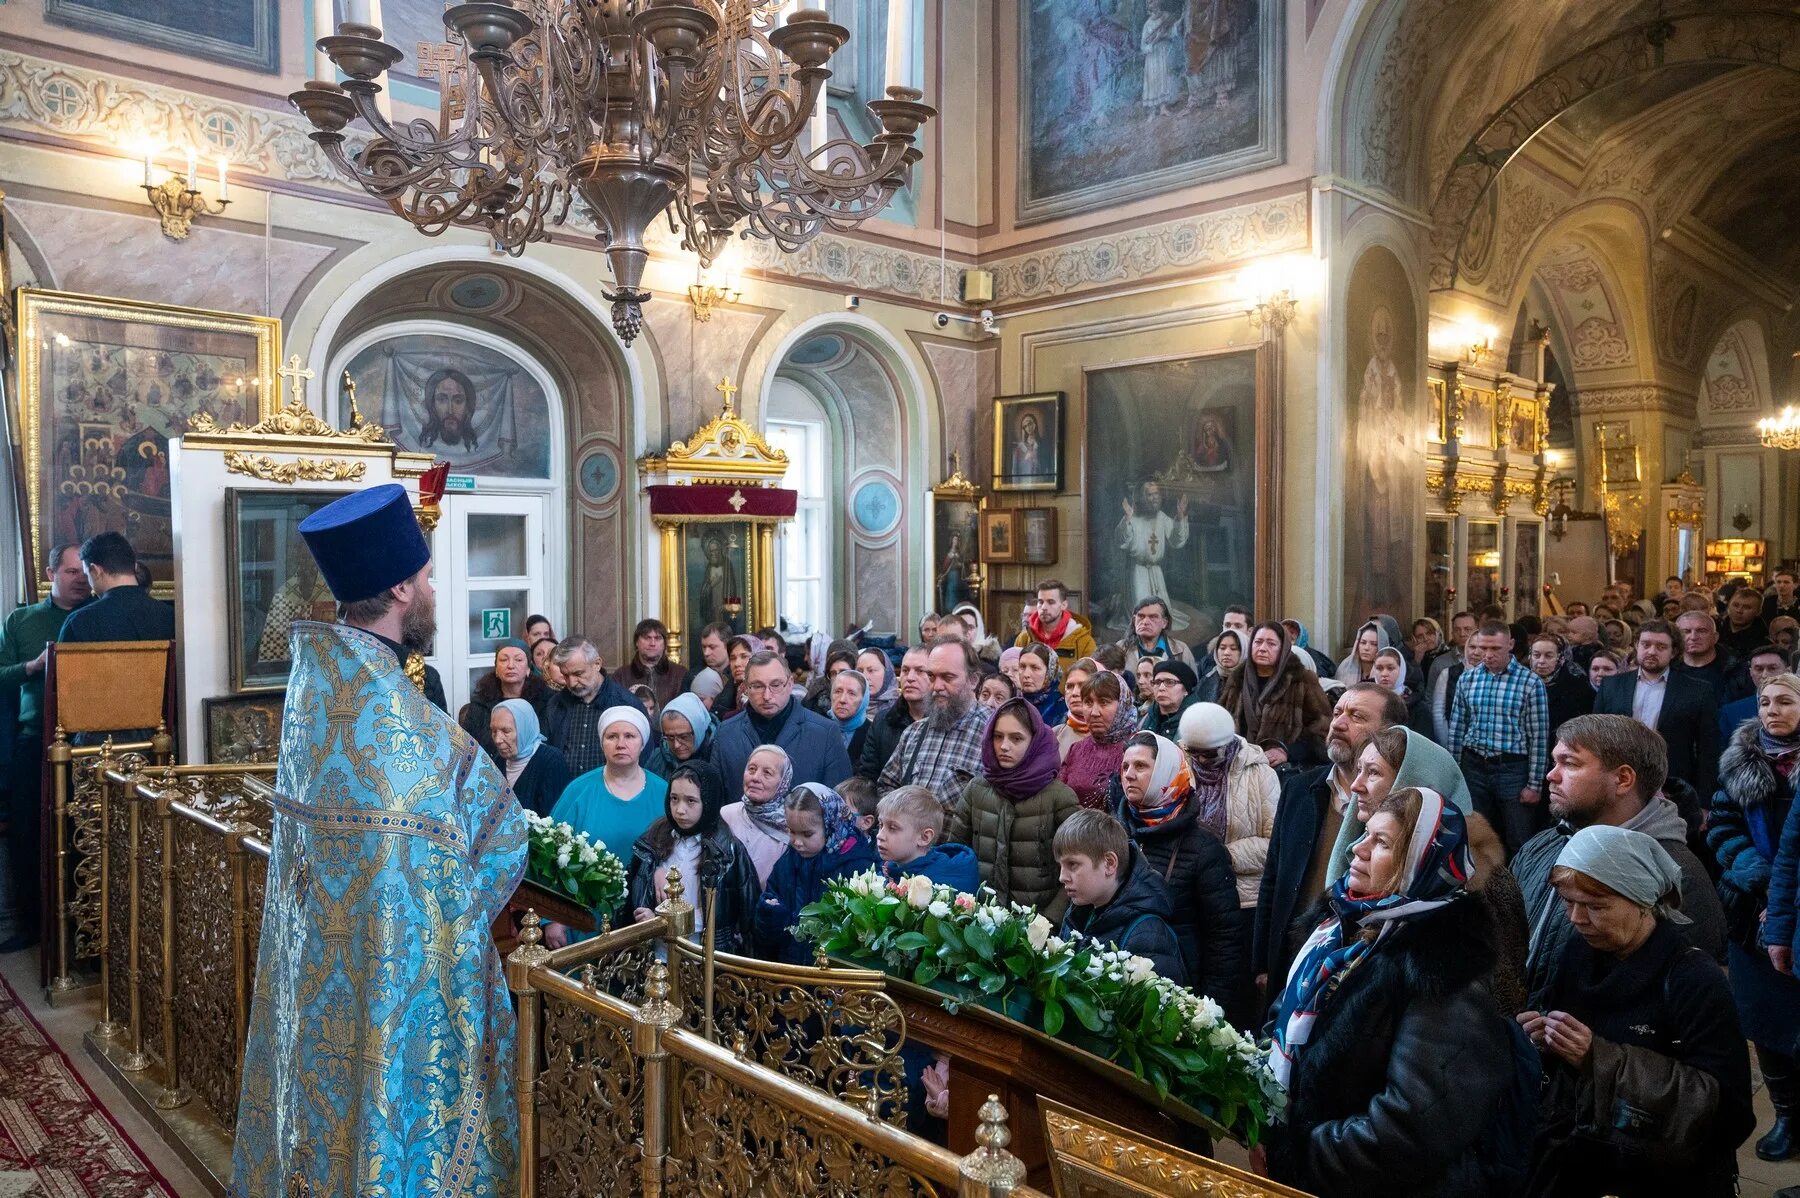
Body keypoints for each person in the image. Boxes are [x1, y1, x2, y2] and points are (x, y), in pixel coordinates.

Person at [232, 484, 525, 1196]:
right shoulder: (409, 728)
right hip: (391, 973)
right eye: (425, 579)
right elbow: (499, 837)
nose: (431, 590)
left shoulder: (316, 691)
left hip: (326, 964)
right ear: (400, 587)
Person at [1266, 789, 1517, 1198]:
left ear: (1423, 861)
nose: (1357, 849)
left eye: (1381, 842)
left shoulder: (1444, 969)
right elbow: (1281, 1019)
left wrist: (1297, 1154)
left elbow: (1411, 1128)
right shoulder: (1342, 930)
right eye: (1365, 834)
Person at [1523, 826, 1754, 1198]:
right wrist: (1542, 1040)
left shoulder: (1694, 980)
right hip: (1581, 1165)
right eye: (1568, 902)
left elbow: (1730, 1114)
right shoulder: (1577, 954)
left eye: (1595, 906)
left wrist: (1597, 1057)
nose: (1576, 918)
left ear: (1643, 900)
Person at [1514, 715, 1726, 1009]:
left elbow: (1684, 1004)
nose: (1551, 775)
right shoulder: (1542, 845)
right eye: (1554, 762)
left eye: (1570, 763)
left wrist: (1589, 1048)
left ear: (1623, 779)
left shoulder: (1675, 874)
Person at [1251, 683, 1407, 1005]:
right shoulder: (1299, 789)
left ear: (1389, 733)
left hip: (1353, 976)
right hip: (1292, 961)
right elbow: (1273, 882)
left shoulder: (1401, 808)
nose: (1338, 723)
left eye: (1357, 716)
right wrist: (1264, 964)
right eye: (1337, 713)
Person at [1709, 673, 1800, 1164]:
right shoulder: (1740, 763)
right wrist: (1754, 873)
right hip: (1751, 910)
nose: (1772, 710)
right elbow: (1721, 826)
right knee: (1764, 1019)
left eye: (1785, 701)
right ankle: (1787, 1115)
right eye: (1764, 702)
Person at [0, 544, 91, 952]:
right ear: (52, 574)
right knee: (26, 832)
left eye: (83, 571)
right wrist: (31, 668)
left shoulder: (95, 618)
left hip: (86, 741)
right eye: (71, 572)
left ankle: (81, 925)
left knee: (83, 833)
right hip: (33, 739)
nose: (80, 579)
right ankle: (30, 925)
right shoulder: (21, 621)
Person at [1170, 702, 1279, 1021]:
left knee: (1233, 993)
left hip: (1242, 900)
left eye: (1209, 754)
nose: (1201, 760)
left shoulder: (1259, 773)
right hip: (1190, 896)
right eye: (1195, 752)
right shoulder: (1179, 764)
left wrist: (1220, 857)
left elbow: (1275, 844)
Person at [1115, 731, 1241, 1003]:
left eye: (1141, 766)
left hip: (1180, 993)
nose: (1128, 774)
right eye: (1125, 766)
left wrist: (1210, 1008)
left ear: (1165, 771)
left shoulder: (1204, 847)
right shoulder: (1116, 832)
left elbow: (1224, 939)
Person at [946, 696, 1081, 919]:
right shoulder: (977, 790)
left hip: (1037, 928)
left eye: (1016, 738)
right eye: (997, 737)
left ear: (1035, 741)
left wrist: (1047, 923)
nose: (1004, 746)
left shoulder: (1060, 799)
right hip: (978, 920)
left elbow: (1076, 869)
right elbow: (956, 853)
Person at [545, 706, 669, 944]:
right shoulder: (578, 791)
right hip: (584, 921)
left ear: (643, 743)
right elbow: (551, 857)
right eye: (612, 737)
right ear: (602, 743)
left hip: (646, 920)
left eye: (629, 736)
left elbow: (682, 849)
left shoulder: (664, 792)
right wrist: (551, 918)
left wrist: (665, 869)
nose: (620, 744)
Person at [626, 760, 759, 955]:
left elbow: (741, 913)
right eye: (674, 799)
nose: (680, 810)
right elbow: (632, 893)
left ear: (709, 800)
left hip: (704, 958)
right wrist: (652, 876)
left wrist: (662, 921)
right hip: (657, 957)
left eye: (690, 801)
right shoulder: (653, 840)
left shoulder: (727, 850)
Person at [1449, 620, 1549, 857]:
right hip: (1474, 764)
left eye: (1495, 649)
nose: (1487, 655)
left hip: (1512, 767)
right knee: (1475, 835)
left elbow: (1539, 736)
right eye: (1483, 648)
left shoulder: (1530, 682)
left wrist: (1534, 784)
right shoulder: (1468, 679)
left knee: (1519, 837)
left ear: (1510, 645)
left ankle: (1520, 890)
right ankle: (1481, 891)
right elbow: (1457, 728)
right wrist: (1453, 773)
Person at [1055, 809, 1187, 985]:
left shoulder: (1148, 934)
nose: (1062, 877)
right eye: (1061, 866)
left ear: (1109, 863)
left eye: (1072, 864)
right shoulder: (1079, 911)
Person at [1594, 620, 1721, 800]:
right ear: (1636, 645)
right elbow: (1597, 739)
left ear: (1674, 652)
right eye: (1646, 645)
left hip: (1673, 786)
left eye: (1661, 646)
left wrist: (1705, 802)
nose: (1652, 651)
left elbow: (1708, 749)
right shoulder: (1611, 685)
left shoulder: (1697, 690)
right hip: (1617, 782)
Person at [752, 782, 878, 964]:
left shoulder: (857, 866)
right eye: (791, 831)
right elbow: (765, 927)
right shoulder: (788, 860)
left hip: (830, 978)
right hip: (789, 969)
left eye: (807, 834)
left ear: (831, 825)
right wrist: (770, 913)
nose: (797, 841)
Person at [713, 650, 853, 804]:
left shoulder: (825, 733)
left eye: (776, 685)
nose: (767, 695)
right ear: (746, 688)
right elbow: (716, 799)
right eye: (758, 686)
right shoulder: (726, 733)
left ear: (790, 683)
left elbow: (839, 804)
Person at [876, 639, 988, 812]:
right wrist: (903, 819)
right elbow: (887, 785)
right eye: (931, 677)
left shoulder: (993, 733)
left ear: (973, 680)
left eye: (947, 677)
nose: (936, 686)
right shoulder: (914, 732)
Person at [1218, 621, 1332, 769]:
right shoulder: (1237, 678)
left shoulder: (1302, 679)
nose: (1262, 648)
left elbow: (1323, 729)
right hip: (1240, 767)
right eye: (1258, 642)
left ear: (1283, 648)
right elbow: (1222, 721)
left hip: (1283, 771)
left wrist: (1287, 751)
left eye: (1271, 644)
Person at [58, 530, 177, 646]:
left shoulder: (80, 622)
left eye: (86, 574)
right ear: (134, 566)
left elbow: (66, 666)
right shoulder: (171, 617)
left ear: (95, 570)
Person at [543, 638, 640, 776]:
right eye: (566, 675)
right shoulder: (556, 704)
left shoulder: (625, 704)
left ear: (597, 664)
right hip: (566, 792)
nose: (572, 683)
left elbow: (642, 757)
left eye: (578, 674)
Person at [875, 784, 979, 892]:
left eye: (893, 828)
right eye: (881, 825)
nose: (880, 835)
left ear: (924, 837)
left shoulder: (943, 887)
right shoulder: (887, 870)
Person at [1058, 671, 1136, 810]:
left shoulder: (1138, 749)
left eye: (1103, 702)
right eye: (1088, 702)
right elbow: (1059, 798)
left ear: (1123, 703)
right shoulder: (1076, 749)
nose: (1094, 712)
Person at [461, 640, 547, 764]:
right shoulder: (481, 702)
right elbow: (469, 744)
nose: (511, 665)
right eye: (504, 660)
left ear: (529, 668)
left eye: (518, 660)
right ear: (496, 668)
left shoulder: (545, 700)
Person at [722, 744, 795, 887]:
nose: (755, 777)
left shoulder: (791, 824)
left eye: (767, 773)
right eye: (752, 769)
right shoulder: (725, 815)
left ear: (783, 782)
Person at [1117, 483, 1190, 622]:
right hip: (1138, 572)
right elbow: (1122, 540)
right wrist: (1127, 519)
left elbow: (1176, 539)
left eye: (1156, 494)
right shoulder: (1134, 517)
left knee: (1161, 615)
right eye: (1149, 494)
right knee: (1140, 614)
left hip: (1156, 573)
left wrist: (1180, 517)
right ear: (1142, 497)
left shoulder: (1161, 517)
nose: (1154, 498)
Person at [489, 698, 569, 816]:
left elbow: (553, 819)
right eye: (494, 731)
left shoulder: (551, 761)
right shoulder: (498, 761)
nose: (497, 740)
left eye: (506, 731)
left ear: (524, 729)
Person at [858, 646, 927, 781]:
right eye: (905, 670)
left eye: (920, 671)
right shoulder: (883, 720)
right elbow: (867, 776)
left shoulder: (943, 722)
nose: (910, 678)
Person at [1013, 579, 1097, 667]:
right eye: (1040, 602)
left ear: (1064, 605)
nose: (1044, 607)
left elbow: (1091, 678)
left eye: (1051, 602)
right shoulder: (1024, 638)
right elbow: (1014, 673)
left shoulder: (1083, 641)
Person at [1528, 632, 1595, 742]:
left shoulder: (1577, 686)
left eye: (1548, 656)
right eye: (1536, 655)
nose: (1541, 661)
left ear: (1561, 658)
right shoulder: (1523, 683)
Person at [1716, 644, 1791, 741]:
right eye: (1759, 669)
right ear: (1751, 673)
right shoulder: (1731, 712)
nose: (1765, 675)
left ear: (1788, 671)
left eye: (1772, 668)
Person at [616, 617, 693, 710]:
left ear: (664, 643)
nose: (652, 643)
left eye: (657, 638)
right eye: (647, 638)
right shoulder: (621, 676)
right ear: (637, 642)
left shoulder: (680, 675)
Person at [644, 691, 716, 781]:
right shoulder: (657, 759)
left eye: (684, 737)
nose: (676, 745)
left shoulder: (716, 757)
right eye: (670, 737)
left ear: (699, 730)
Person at [1117, 597, 1197, 676]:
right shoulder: (1121, 648)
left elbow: (1193, 686)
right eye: (1141, 616)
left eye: (1153, 617)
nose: (1145, 622)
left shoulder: (1180, 650)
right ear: (1134, 620)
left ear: (1164, 623)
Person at [1674, 609, 1732, 697]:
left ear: (1715, 637)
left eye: (1701, 631)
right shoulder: (1667, 669)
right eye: (1686, 632)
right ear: (1676, 638)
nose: (1693, 637)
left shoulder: (1735, 670)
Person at [1014, 642, 1067, 730]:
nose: (1026, 674)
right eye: (1022, 667)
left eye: (1035, 668)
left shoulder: (1062, 709)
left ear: (1050, 672)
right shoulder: (1013, 705)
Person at [1140, 659, 1198, 738]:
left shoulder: (1197, 722)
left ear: (1186, 690)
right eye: (1157, 682)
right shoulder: (1146, 718)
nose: (1161, 688)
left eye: (1170, 682)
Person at [828, 665, 872, 765]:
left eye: (851, 693)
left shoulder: (872, 734)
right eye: (838, 691)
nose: (842, 699)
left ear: (864, 699)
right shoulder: (819, 729)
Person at [1718, 586, 1771, 661]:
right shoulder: (1714, 631)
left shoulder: (1763, 644)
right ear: (1728, 606)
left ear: (1758, 612)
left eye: (1747, 607)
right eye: (1735, 605)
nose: (1739, 610)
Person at [1193, 628, 1242, 704]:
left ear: (1244, 651)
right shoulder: (1208, 677)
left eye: (1233, 648)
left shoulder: (1250, 679)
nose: (1226, 653)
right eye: (1222, 648)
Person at [1333, 619, 1386, 684]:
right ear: (1357, 644)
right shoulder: (1345, 667)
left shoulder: (1386, 671)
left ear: (1381, 646)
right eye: (1363, 643)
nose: (1366, 648)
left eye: (1374, 644)